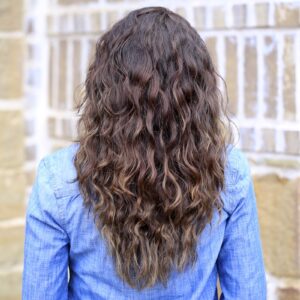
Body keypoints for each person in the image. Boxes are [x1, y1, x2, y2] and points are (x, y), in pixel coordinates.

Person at [22, 6, 267, 300]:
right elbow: (248, 293)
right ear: (198, 95)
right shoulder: (229, 172)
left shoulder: (59, 179)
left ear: (105, 90)